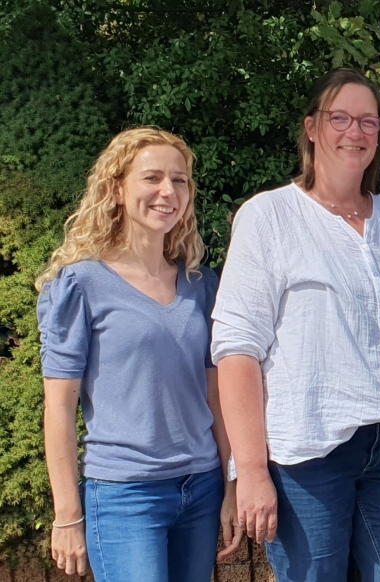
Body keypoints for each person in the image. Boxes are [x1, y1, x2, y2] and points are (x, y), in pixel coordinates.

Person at [211, 67, 380, 581]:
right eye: (340, 118)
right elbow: (237, 347)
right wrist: (249, 470)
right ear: (312, 128)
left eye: (368, 122)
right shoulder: (268, 216)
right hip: (308, 455)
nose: (354, 132)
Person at [36, 127, 240, 580]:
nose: (168, 191)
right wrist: (67, 515)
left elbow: (217, 397)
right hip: (125, 496)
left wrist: (230, 484)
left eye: (180, 180)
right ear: (116, 189)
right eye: (152, 178)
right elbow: (60, 406)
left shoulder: (200, 286)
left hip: (201, 487)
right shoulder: (80, 285)